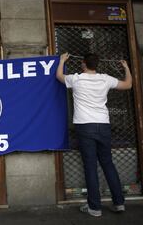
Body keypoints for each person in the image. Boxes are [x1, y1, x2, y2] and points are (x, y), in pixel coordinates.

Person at [56, 52, 132, 217]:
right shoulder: (105, 78)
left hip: (85, 126)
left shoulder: (76, 79)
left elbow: (59, 76)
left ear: (83, 64)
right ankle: (119, 203)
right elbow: (127, 85)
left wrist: (62, 60)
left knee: (90, 166)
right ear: (97, 65)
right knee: (108, 164)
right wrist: (126, 68)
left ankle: (95, 207)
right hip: (103, 125)